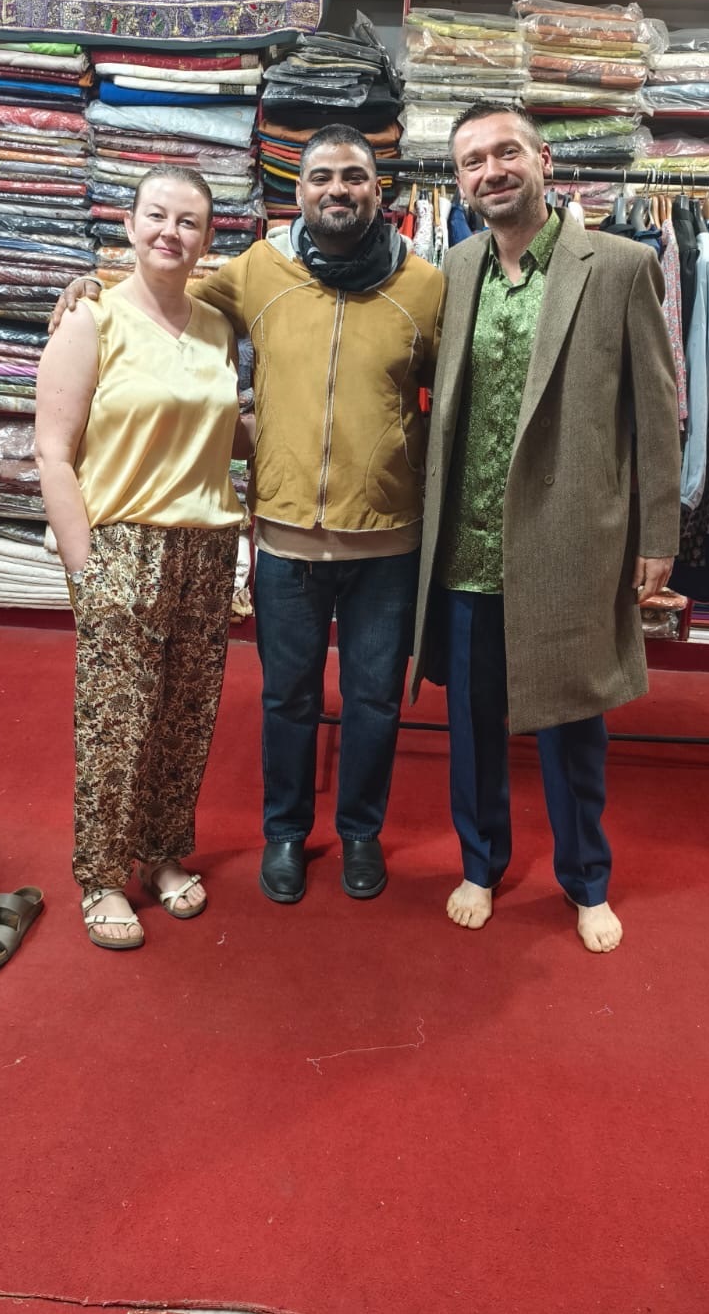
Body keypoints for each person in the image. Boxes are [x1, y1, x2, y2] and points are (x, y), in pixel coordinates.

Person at [49, 126, 446, 905]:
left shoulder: (427, 286)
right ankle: (286, 833)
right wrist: (90, 285)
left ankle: (360, 833)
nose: (337, 189)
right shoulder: (258, 270)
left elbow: (453, 392)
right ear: (298, 191)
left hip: (387, 542)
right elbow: (163, 289)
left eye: (354, 176)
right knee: (287, 699)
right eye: (321, 176)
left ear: (379, 190)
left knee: (372, 700)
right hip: (288, 541)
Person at [410, 103, 682, 954]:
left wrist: (657, 534)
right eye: (471, 162)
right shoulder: (456, 267)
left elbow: (657, 410)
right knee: (472, 726)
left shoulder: (621, 265)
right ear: (458, 182)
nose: (489, 172)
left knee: (572, 722)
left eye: (505, 153)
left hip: (568, 538)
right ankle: (480, 863)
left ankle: (585, 879)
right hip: (467, 544)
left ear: (542, 160)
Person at [36, 168, 248, 949]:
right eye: (156, 215)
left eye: (189, 221)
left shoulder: (216, 327)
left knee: (185, 716)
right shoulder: (90, 316)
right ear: (128, 225)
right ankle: (100, 875)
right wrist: (85, 570)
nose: (170, 232)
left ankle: (160, 852)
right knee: (116, 722)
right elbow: (52, 453)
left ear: (208, 238)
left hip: (206, 546)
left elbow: (223, 432)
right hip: (122, 542)